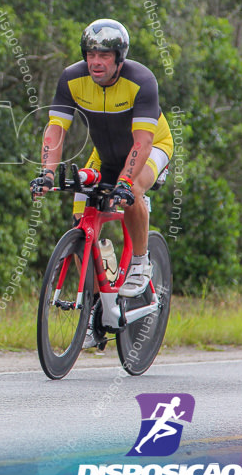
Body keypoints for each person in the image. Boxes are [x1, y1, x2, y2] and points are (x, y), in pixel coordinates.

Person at [30, 19, 174, 346]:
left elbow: (142, 142)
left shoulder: (141, 80)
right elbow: (56, 129)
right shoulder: (72, 78)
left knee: (132, 190)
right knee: (82, 214)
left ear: (119, 58)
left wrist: (123, 182)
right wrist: (48, 173)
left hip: (152, 146)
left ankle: (140, 263)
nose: (96, 61)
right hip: (104, 154)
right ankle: (99, 303)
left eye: (104, 55)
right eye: (90, 54)